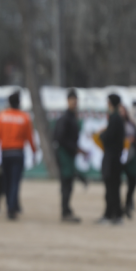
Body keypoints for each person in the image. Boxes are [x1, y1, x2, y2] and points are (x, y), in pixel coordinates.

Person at [0, 91, 37, 220]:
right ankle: (12, 208)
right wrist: (34, 152)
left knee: (7, 181)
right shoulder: (25, 117)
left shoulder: (2, 116)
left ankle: (10, 205)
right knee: (15, 182)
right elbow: (30, 137)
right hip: (18, 153)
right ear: (19, 102)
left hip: (5, 153)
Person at [53, 89, 84, 223]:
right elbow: (59, 137)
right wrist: (74, 148)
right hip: (65, 154)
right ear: (68, 101)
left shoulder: (72, 116)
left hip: (69, 154)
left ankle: (67, 209)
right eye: (72, 100)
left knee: (68, 184)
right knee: (66, 183)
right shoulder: (65, 118)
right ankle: (65, 211)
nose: (74, 102)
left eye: (76, 100)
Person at [98, 94, 124, 225]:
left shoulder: (114, 118)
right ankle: (116, 214)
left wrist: (101, 135)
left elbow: (109, 137)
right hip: (116, 157)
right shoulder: (118, 118)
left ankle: (111, 214)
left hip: (111, 158)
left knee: (111, 187)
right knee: (114, 187)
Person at [119, 105, 136, 218]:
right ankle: (118, 207)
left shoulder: (131, 124)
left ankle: (127, 205)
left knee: (133, 181)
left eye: (123, 111)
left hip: (130, 156)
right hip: (119, 157)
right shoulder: (115, 124)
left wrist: (133, 140)